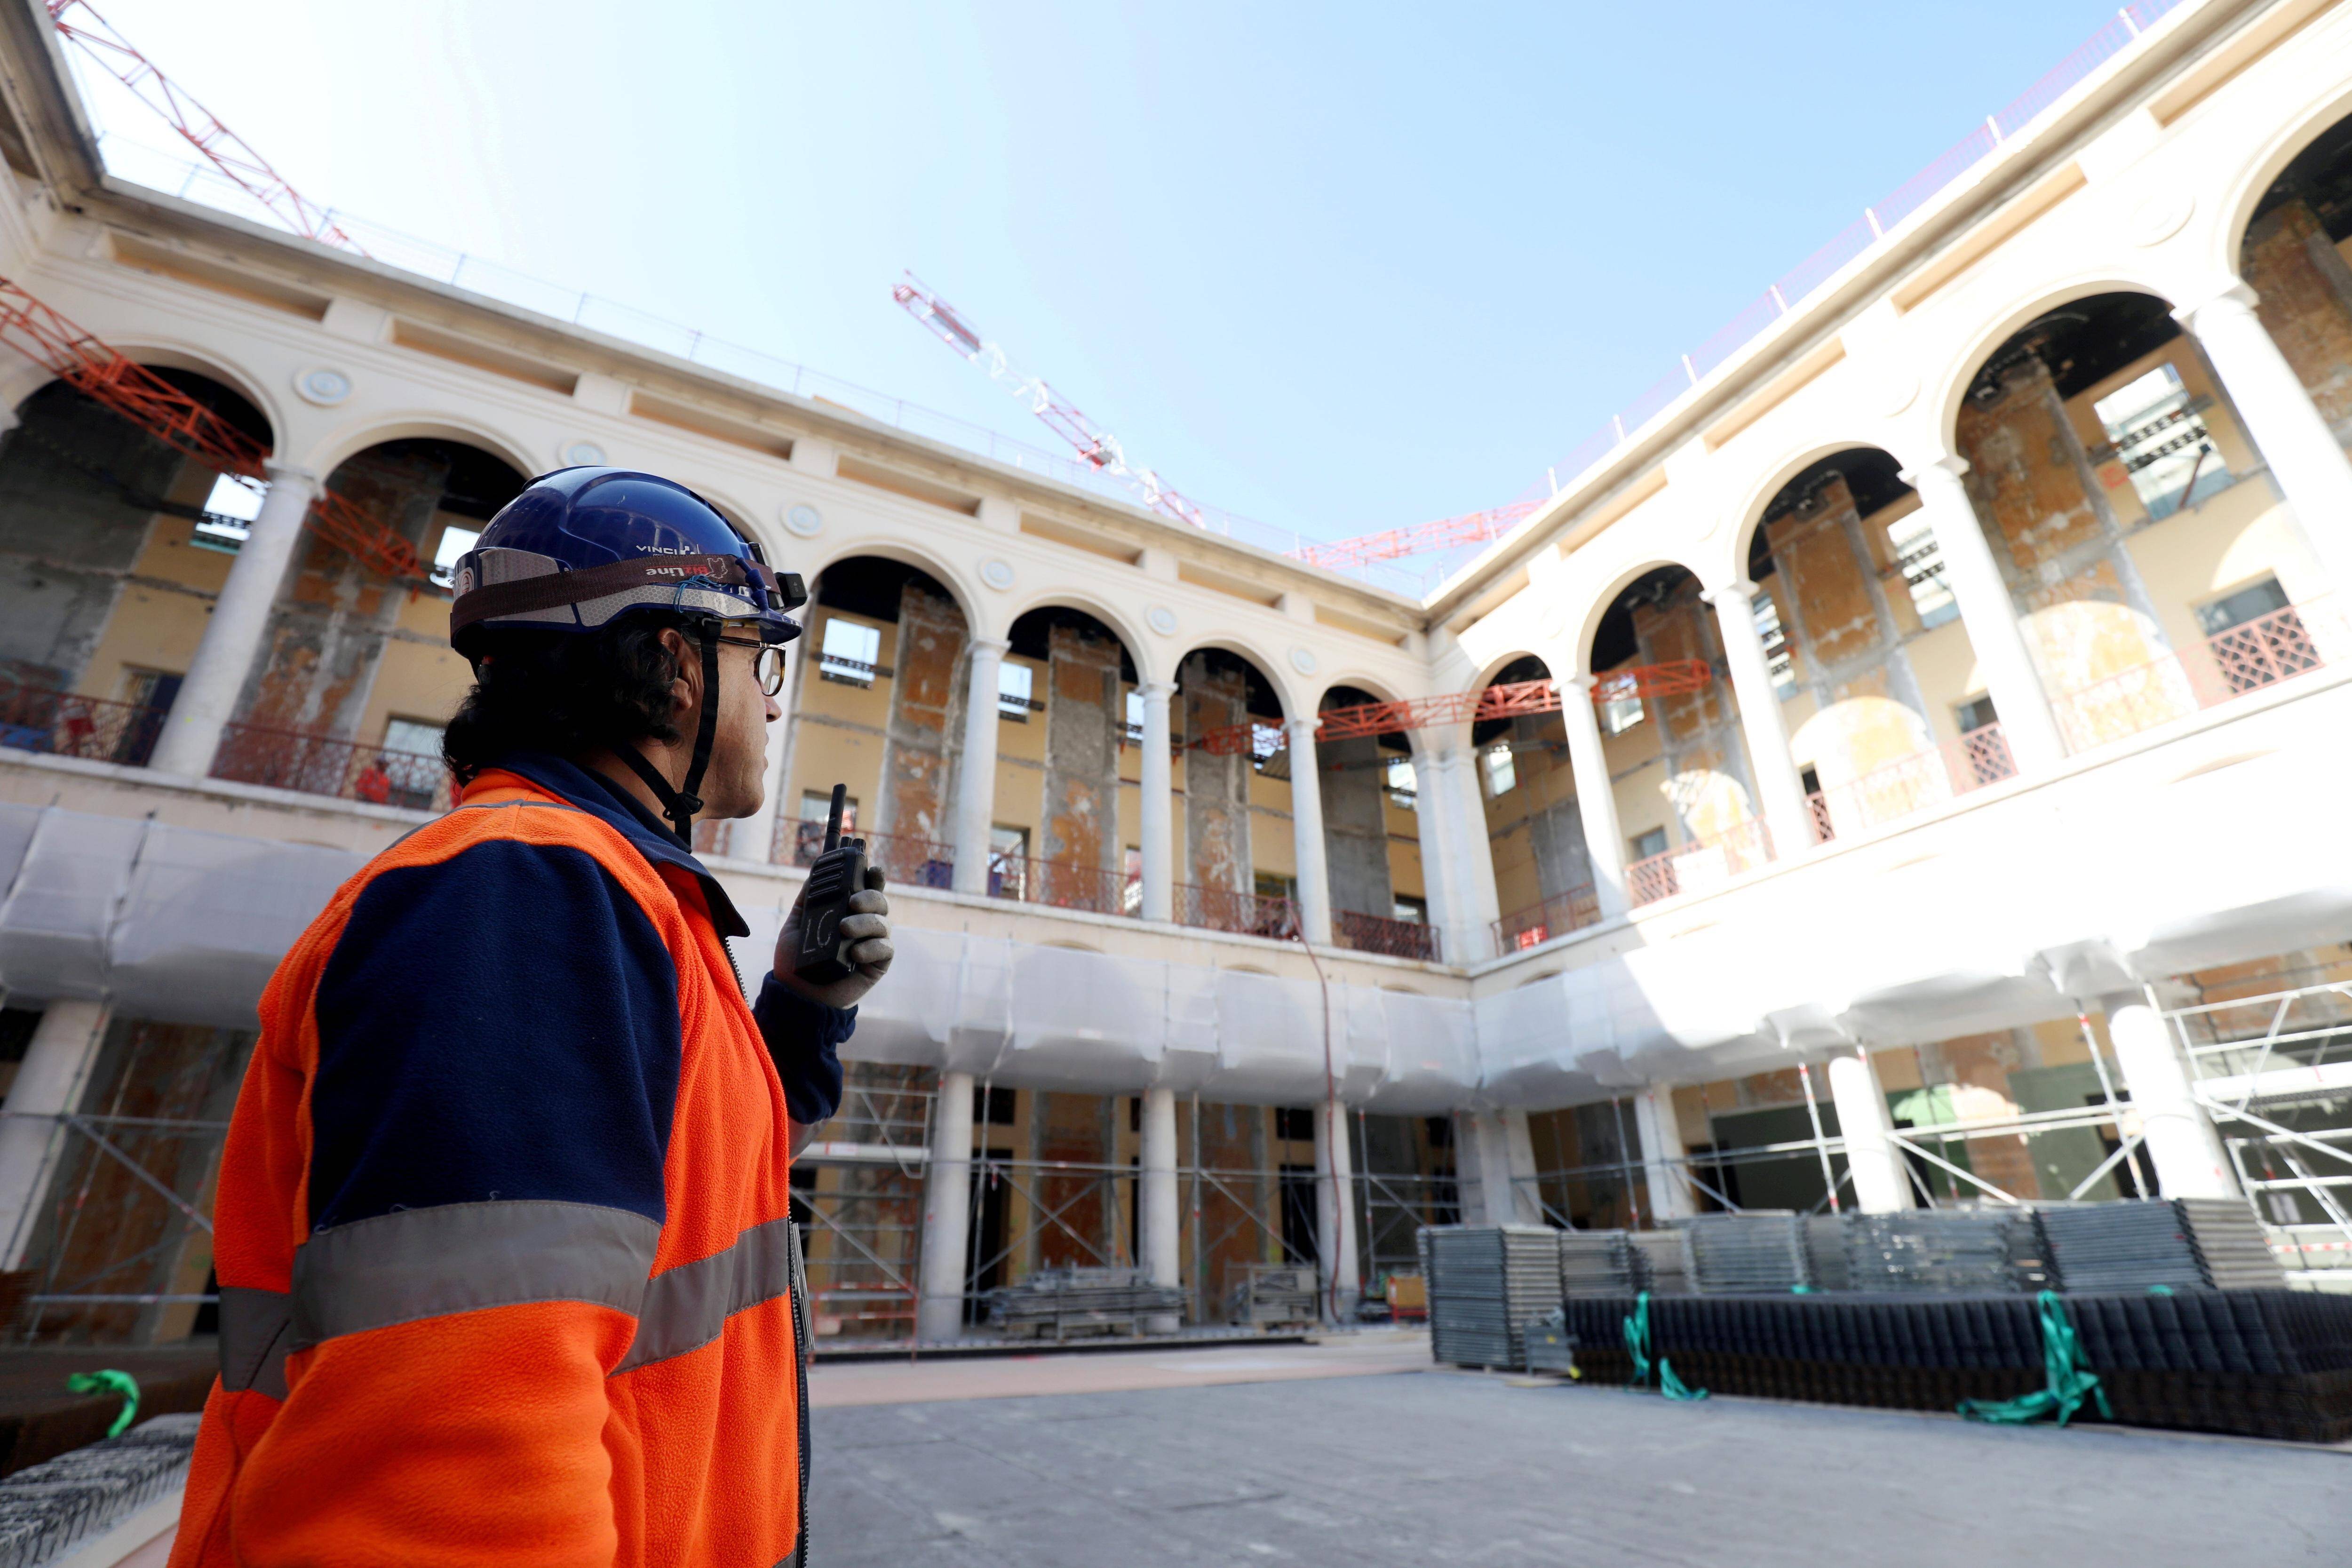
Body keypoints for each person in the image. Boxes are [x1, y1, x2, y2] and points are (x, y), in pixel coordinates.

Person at [168, 468, 892, 1568]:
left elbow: (694, 1191)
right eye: (761, 657)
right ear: (675, 659)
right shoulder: (521, 891)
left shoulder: (606, 888)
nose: (776, 700)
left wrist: (799, 1007)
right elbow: (459, 1457)